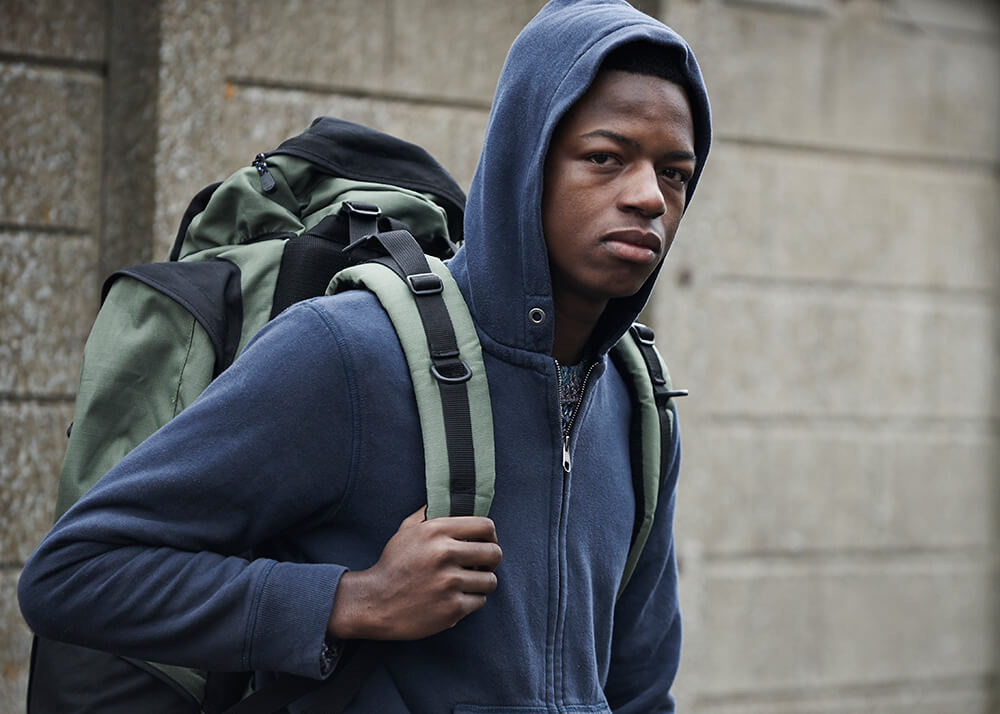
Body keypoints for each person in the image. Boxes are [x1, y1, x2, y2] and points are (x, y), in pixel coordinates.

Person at [18, 0, 712, 710]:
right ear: (525, 163)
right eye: (606, 158)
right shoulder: (349, 351)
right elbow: (74, 575)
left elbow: (638, 690)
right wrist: (349, 600)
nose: (649, 198)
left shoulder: (638, 402)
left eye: (675, 173)